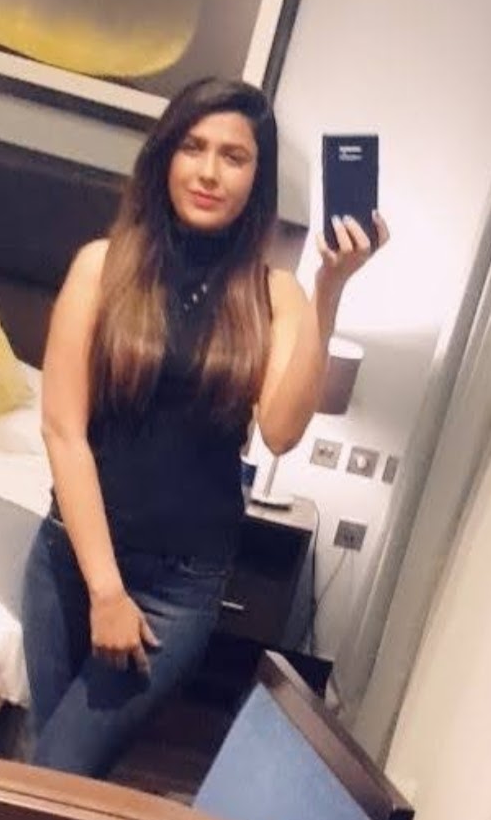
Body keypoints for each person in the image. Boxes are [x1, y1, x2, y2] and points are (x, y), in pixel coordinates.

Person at [21, 77, 387, 776]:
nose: (210, 172)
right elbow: (63, 431)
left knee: (57, 768)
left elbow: (281, 431)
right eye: (193, 147)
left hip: (179, 588)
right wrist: (105, 591)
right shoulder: (102, 269)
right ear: (165, 157)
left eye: (234, 156)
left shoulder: (274, 296)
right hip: (70, 564)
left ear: (257, 178)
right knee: (55, 764)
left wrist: (329, 290)